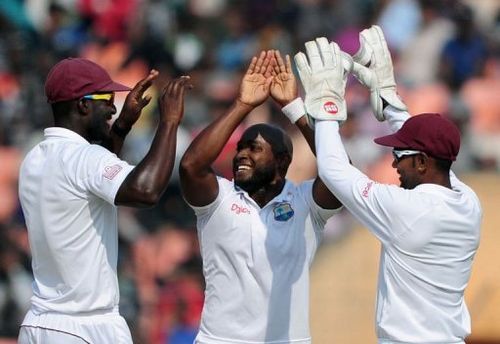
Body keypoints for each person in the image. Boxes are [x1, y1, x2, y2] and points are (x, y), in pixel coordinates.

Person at [294, 28, 482, 343]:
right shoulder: (467, 201)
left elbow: (333, 170)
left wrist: (325, 107)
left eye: (400, 155)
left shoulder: (407, 210)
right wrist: (388, 98)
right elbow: (431, 148)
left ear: (422, 163)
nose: (394, 163)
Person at [17, 57, 192, 344]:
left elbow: (90, 178)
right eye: (107, 100)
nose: (113, 108)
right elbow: (146, 191)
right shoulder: (84, 159)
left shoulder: (34, 158)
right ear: (83, 105)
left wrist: (122, 126)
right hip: (85, 326)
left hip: (40, 322)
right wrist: (170, 121)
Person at [179, 50, 342, 344]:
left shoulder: (306, 203)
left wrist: (294, 108)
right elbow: (191, 166)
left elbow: (341, 177)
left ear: (281, 162)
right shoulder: (219, 199)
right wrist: (242, 105)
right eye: (241, 147)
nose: (241, 154)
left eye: (254, 148)